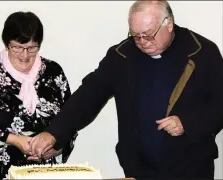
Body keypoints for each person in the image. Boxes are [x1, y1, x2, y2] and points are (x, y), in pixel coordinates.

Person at [30, 0, 223, 179]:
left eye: (148, 35)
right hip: (138, 170)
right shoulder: (122, 56)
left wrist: (187, 123)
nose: (142, 42)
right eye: (135, 36)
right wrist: (55, 132)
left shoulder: (202, 52)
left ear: (169, 24)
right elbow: (89, 95)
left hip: (191, 168)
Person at [0, 11, 78, 180]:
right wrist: (14, 140)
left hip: (42, 173)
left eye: (32, 48)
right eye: (17, 47)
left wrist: (57, 146)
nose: (24, 55)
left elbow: (70, 119)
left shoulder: (53, 72)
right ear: (7, 43)